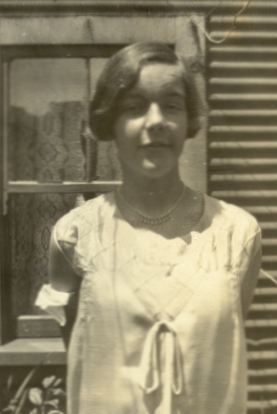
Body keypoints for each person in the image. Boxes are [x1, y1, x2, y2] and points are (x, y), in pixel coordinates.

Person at [36, 43, 262, 414]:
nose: (155, 120)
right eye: (135, 106)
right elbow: (78, 343)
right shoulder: (73, 234)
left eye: (171, 105)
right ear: (110, 120)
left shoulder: (239, 233)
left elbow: (223, 337)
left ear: (189, 120)